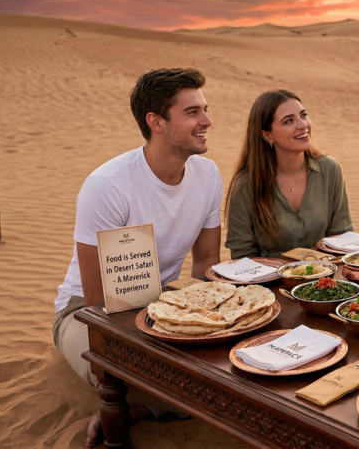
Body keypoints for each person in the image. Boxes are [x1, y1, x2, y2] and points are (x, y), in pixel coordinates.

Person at [52, 67, 223, 447]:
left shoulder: (208, 175)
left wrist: (207, 322)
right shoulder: (108, 186)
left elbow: (206, 265)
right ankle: (140, 400)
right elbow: (98, 301)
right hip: (86, 313)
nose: (207, 120)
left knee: (224, 372)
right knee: (143, 373)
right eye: (192, 112)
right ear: (156, 121)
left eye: (205, 109)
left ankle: (142, 407)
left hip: (161, 302)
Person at [224, 89, 352, 258]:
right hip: (268, 282)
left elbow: (342, 238)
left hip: (326, 278)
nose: (302, 125)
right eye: (289, 121)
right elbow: (242, 255)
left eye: (303, 115)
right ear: (267, 135)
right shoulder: (246, 185)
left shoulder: (330, 169)